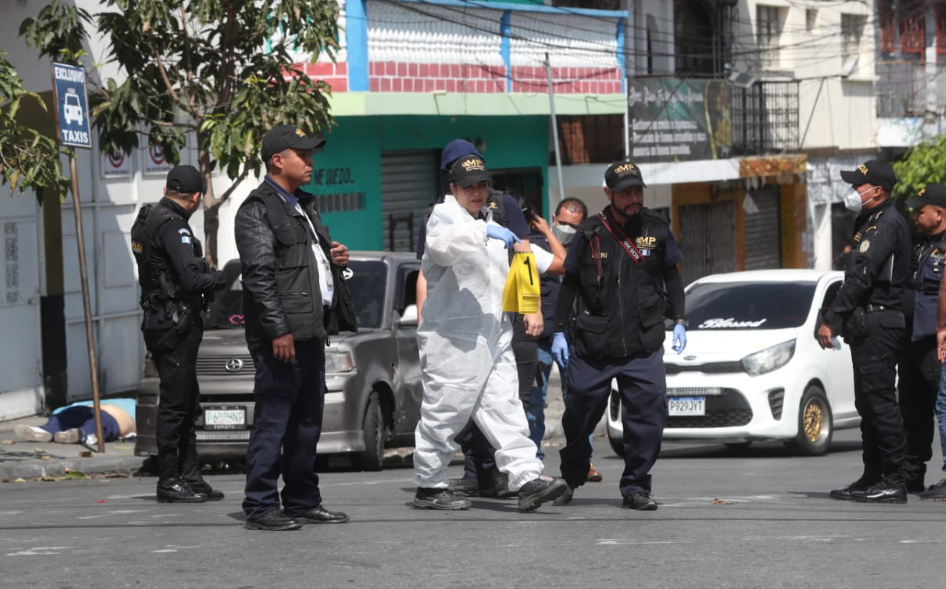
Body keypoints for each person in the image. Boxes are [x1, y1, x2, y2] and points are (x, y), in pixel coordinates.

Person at [412, 154, 568, 511]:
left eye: (482, 185)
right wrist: (482, 231)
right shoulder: (444, 217)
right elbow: (441, 248)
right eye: (469, 186)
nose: (478, 192)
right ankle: (429, 484)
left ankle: (526, 477)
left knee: (506, 408)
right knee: (445, 412)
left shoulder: (489, 222)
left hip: (493, 335)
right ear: (453, 189)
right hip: (453, 341)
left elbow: (524, 267)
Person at [235, 125, 356, 531]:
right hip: (282, 339)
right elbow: (259, 276)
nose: (310, 162)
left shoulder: (303, 205)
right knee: (274, 421)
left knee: (307, 423)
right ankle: (261, 505)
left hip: (310, 332)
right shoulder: (256, 209)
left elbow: (301, 264)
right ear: (277, 160)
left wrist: (331, 255)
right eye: (301, 154)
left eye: (311, 154)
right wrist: (277, 331)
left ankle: (302, 499)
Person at [552, 162, 687, 510]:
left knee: (648, 417)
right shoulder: (590, 232)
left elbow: (672, 277)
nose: (633, 198)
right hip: (594, 344)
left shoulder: (656, 228)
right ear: (608, 194)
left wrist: (681, 318)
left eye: (637, 191)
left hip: (643, 343)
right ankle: (571, 475)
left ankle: (636, 486)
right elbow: (570, 282)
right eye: (625, 192)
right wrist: (558, 330)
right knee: (579, 413)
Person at [131, 165, 228, 504]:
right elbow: (191, 280)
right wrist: (225, 276)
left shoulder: (147, 217)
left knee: (187, 401)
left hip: (161, 320)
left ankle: (191, 476)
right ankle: (170, 480)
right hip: (175, 325)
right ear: (197, 197)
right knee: (175, 404)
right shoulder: (174, 226)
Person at [818, 160, 911, 504]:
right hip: (868, 323)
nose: (854, 191)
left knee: (880, 403)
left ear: (879, 191)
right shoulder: (871, 221)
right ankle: (873, 475)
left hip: (880, 322)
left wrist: (832, 318)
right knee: (867, 403)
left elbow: (862, 277)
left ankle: (893, 479)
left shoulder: (885, 224)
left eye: (859, 185)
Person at [525, 198, 602, 481]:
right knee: (534, 404)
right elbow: (557, 267)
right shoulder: (534, 245)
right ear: (553, 218)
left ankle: (583, 461)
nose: (567, 229)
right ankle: (532, 464)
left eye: (574, 226)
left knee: (580, 400)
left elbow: (575, 271)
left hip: (575, 338)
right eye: (563, 223)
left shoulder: (589, 250)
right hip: (540, 340)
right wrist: (546, 233)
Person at [898, 185, 946, 494]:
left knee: (942, 408)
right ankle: (911, 473)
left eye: (921, 210)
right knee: (912, 410)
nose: (915, 216)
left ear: (939, 214)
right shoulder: (916, 244)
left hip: (936, 343)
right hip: (910, 340)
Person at [15, 398, 136, 445]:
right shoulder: (134, 403)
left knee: (65, 418)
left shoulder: (124, 402)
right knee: (99, 424)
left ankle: (45, 430)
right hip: (112, 415)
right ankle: (82, 434)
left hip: (84, 408)